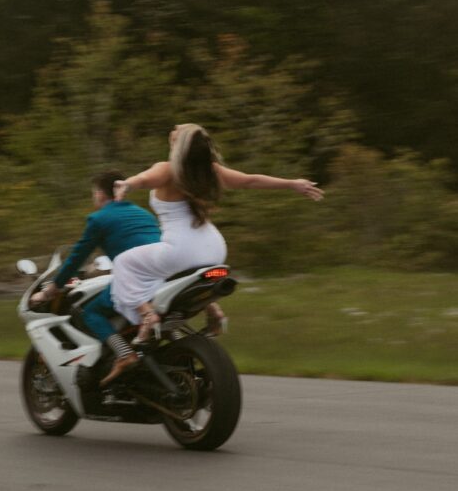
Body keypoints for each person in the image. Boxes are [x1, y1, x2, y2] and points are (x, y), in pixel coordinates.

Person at [105, 123, 324, 384]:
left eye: (178, 127)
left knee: (124, 263)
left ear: (179, 142)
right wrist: (292, 184)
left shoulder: (167, 169)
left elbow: (143, 180)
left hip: (180, 250)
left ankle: (146, 314)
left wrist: (125, 185)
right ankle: (214, 312)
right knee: (177, 276)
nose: (174, 127)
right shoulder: (210, 171)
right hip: (214, 247)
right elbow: (250, 180)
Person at [30, 170, 161, 367]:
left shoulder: (99, 219)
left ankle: (124, 353)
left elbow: (76, 258)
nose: (94, 197)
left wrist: (51, 290)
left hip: (136, 280)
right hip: (163, 276)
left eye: (94, 193)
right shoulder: (144, 214)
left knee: (89, 312)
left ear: (100, 193)